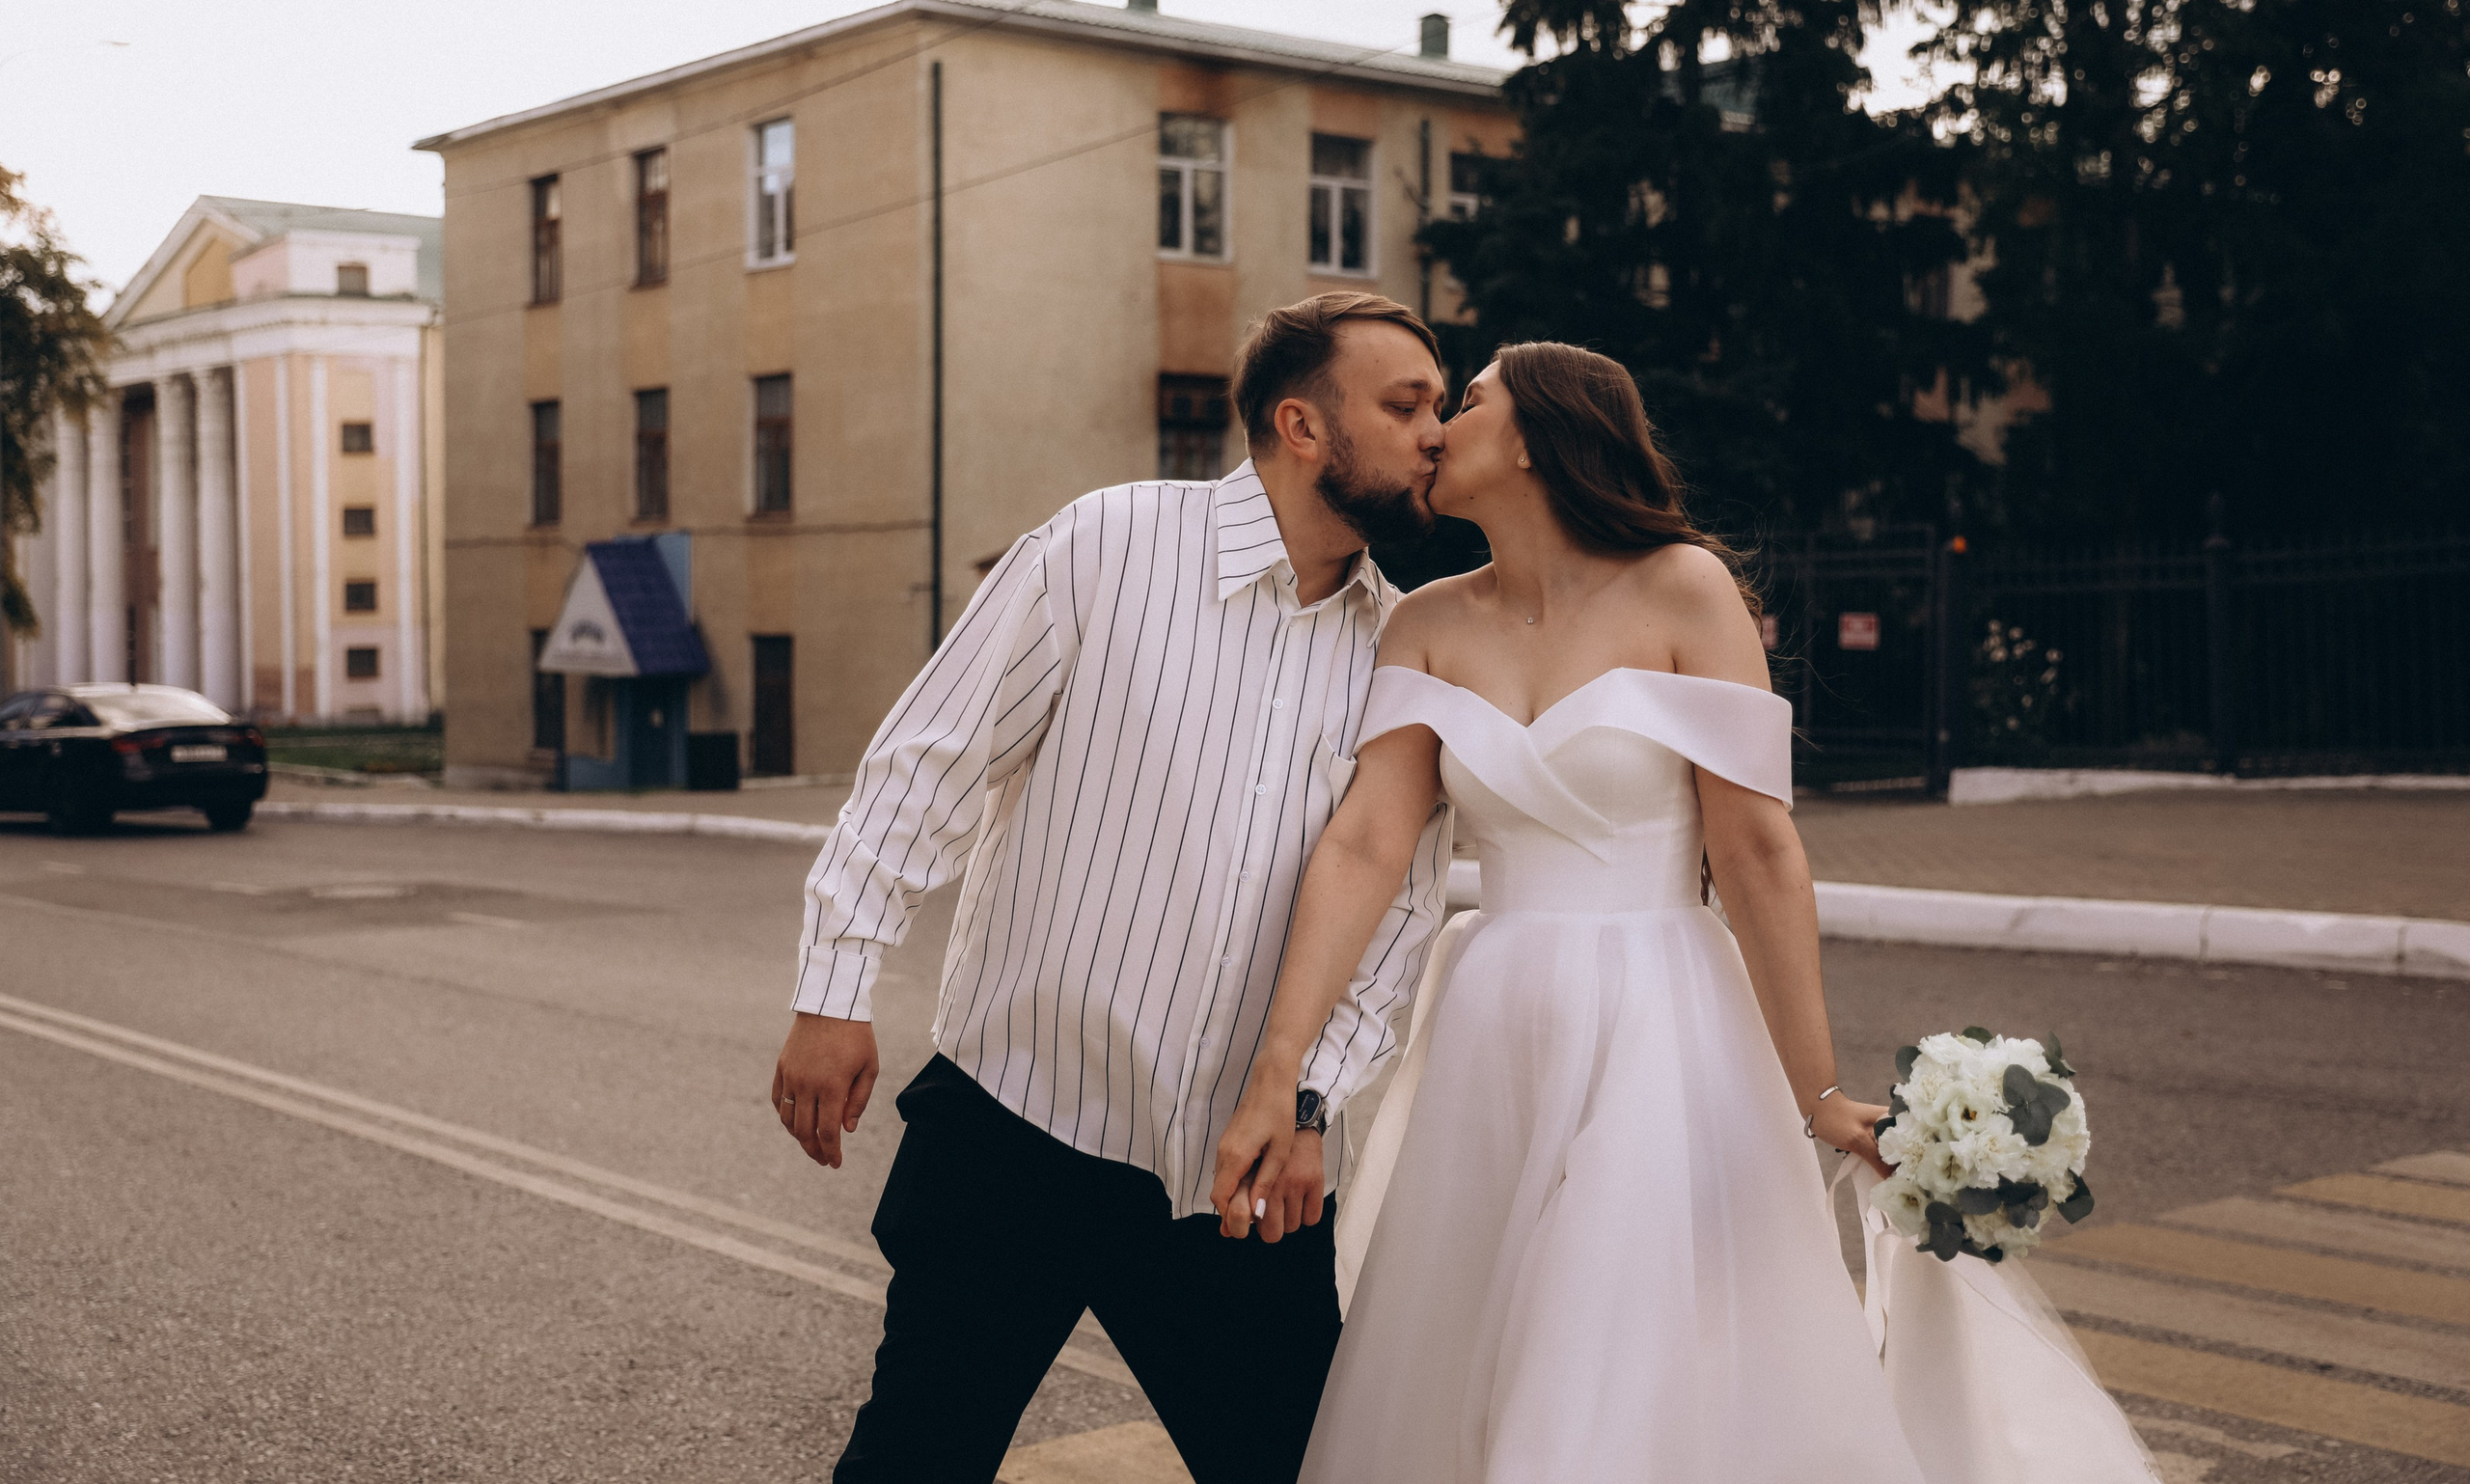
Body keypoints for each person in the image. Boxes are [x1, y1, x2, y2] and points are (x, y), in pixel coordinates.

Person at [1211, 342, 2160, 1481]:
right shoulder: (1421, 622)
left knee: (1607, 1354)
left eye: (1461, 404)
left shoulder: (1684, 588)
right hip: (1488, 1030)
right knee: (1484, 1347)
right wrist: (1282, 1065)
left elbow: (1756, 850)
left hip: (1661, 1022)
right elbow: (1365, 843)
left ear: (1531, 437)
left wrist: (1817, 1094)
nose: (1433, 428)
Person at [772, 292, 1457, 1484]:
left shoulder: (1401, 644)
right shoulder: (1105, 546)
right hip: (1017, 1126)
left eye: (1441, 408)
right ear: (1303, 425)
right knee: (914, 1460)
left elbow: (1399, 907)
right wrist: (835, 990)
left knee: (1301, 1467)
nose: (1435, 434)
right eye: (1405, 407)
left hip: (1238, 1175)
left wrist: (1309, 1107)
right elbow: (930, 761)